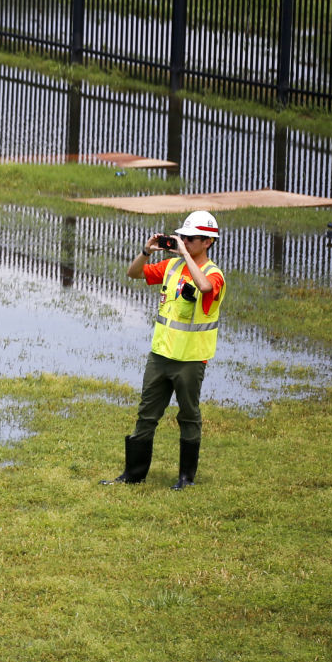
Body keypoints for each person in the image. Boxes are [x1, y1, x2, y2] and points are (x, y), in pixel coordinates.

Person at [102, 210, 226, 489]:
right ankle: (133, 475)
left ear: (207, 242)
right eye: (181, 237)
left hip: (190, 361)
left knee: (188, 416)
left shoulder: (213, 274)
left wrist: (183, 253)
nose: (184, 242)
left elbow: (205, 287)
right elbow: (133, 273)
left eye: (190, 239)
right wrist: (146, 251)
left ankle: (185, 479)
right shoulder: (171, 267)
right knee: (146, 414)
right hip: (160, 357)